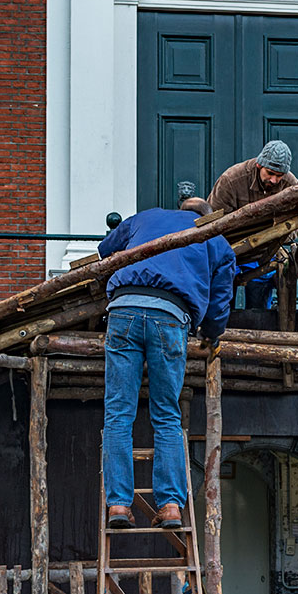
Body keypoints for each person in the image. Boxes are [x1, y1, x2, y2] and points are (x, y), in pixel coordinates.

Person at [98, 196, 235, 529]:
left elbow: (105, 250)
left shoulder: (146, 216)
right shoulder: (213, 235)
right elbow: (221, 295)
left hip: (123, 308)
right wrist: (211, 332)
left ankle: (118, 505)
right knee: (167, 414)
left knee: (118, 411)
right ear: (207, 216)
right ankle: (171, 506)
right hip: (170, 316)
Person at [208, 140, 297, 308]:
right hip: (229, 249)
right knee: (223, 299)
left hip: (264, 252)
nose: (275, 180)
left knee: (259, 304)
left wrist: (278, 236)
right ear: (258, 165)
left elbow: (295, 225)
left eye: (280, 176)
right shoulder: (231, 180)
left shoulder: (291, 185)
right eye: (270, 173)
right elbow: (213, 224)